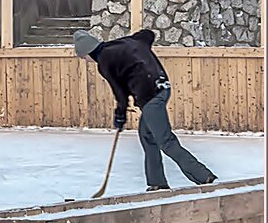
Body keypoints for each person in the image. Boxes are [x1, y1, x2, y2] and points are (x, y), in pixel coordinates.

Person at [74, 29, 216, 192]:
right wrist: (138, 49)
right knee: (147, 135)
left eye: (84, 57)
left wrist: (120, 115)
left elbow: (119, 92)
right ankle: (157, 182)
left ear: (88, 52)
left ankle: (204, 176)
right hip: (162, 87)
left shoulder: (104, 61)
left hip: (150, 95)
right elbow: (147, 35)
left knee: (166, 141)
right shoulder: (125, 42)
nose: (86, 61)